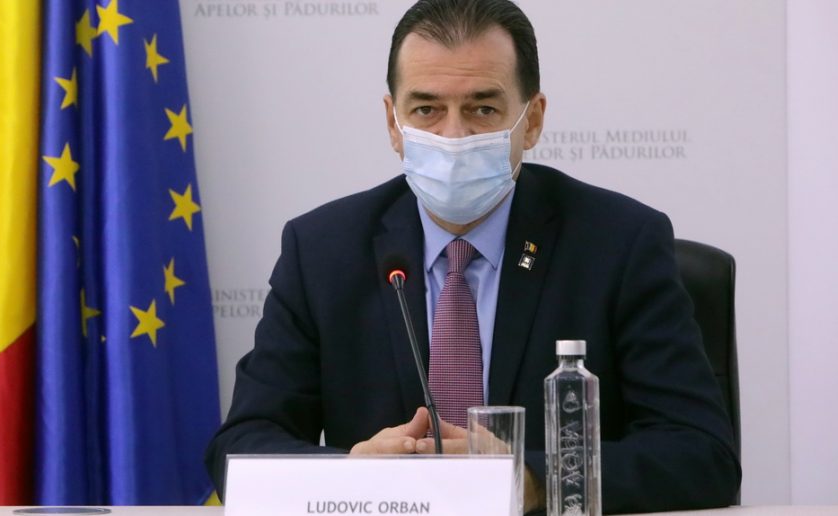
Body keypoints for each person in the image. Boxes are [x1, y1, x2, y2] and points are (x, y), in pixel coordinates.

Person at [204, 0, 741, 512]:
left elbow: (702, 452)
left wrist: (529, 479)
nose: (454, 136)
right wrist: (350, 473)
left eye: (483, 108)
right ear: (393, 123)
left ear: (532, 120)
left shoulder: (618, 243)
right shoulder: (322, 251)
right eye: (427, 110)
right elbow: (239, 449)